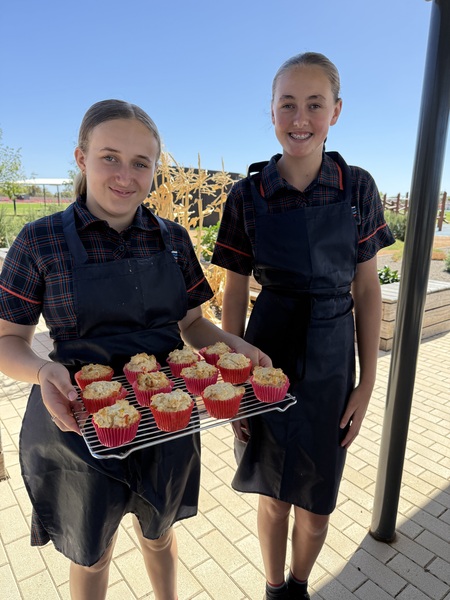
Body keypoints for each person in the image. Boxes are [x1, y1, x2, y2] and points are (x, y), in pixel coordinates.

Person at [0, 99, 270, 600]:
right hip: (78, 419)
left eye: (141, 163)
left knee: (160, 533)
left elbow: (193, 324)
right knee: (93, 552)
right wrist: (41, 373)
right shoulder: (40, 242)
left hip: (167, 417)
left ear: (155, 170)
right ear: (81, 158)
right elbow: (7, 341)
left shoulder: (172, 239)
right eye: (110, 157)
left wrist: (236, 348)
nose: (125, 175)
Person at [211, 52, 395, 600]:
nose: (300, 117)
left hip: (334, 361)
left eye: (314, 104)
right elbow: (237, 292)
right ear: (271, 112)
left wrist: (366, 382)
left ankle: (298, 585)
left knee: (316, 504)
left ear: (335, 112)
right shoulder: (247, 195)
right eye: (288, 104)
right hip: (266, 353)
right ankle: (273, 589)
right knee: (272, 495)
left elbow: (366, 289)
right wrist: (236, 381)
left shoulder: (356, 186)